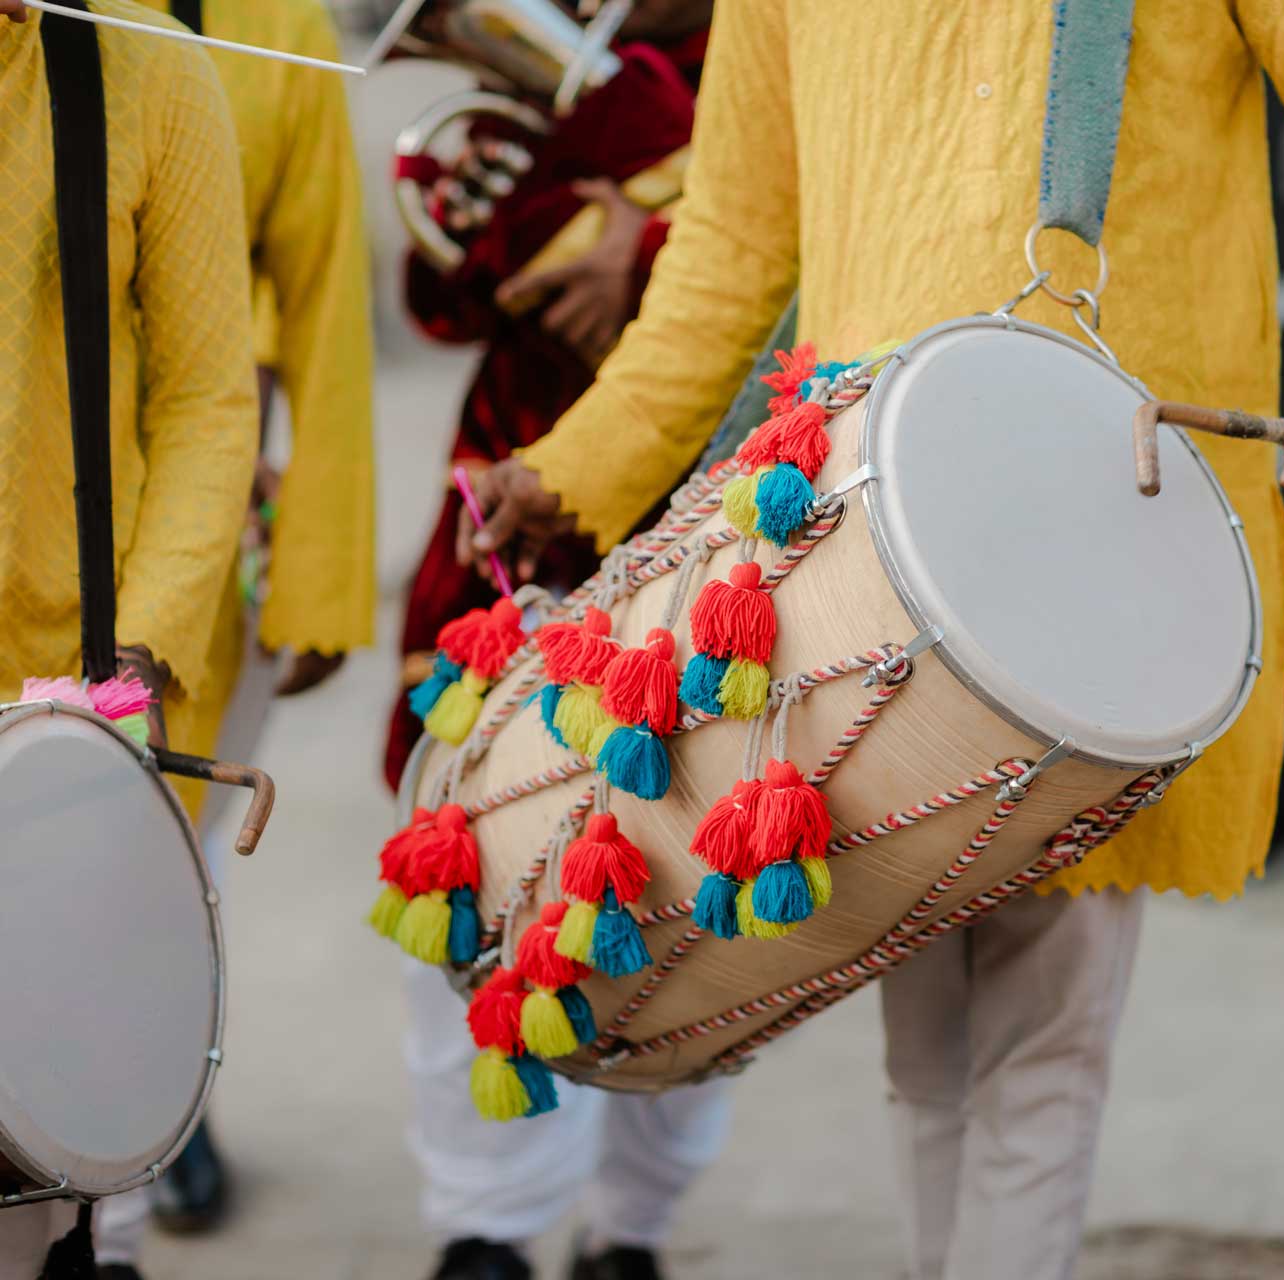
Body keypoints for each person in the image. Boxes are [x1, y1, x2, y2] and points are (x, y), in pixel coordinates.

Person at [461, 1, 1284, 1277]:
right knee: (926, 1042)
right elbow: (732, 245)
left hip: (1116, 523)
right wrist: (569, 468)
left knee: (1044, 1036)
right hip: (863, 559)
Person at [376, 5, 733, 1278]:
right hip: (514, 526)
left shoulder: (772, 52)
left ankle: (633, 1223)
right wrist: (593, 207)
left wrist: (640, 233)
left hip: (711, 521)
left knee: (693, 873)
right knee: (467, 853)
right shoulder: (558, 95)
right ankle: (489, 1221)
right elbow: (454, 290)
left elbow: (795, 260)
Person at [84, 0, 379, 1253]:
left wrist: (320, 562)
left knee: (161, 862)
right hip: (59, 503)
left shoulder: (282, 27)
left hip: (216, 520)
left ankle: (151, 1127)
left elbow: (321, 293)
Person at [0, 0, 256, 1272]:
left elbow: (212, 397)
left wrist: (139, 650)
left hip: (56, 720)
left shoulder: (150, 63)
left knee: (39, 1185)